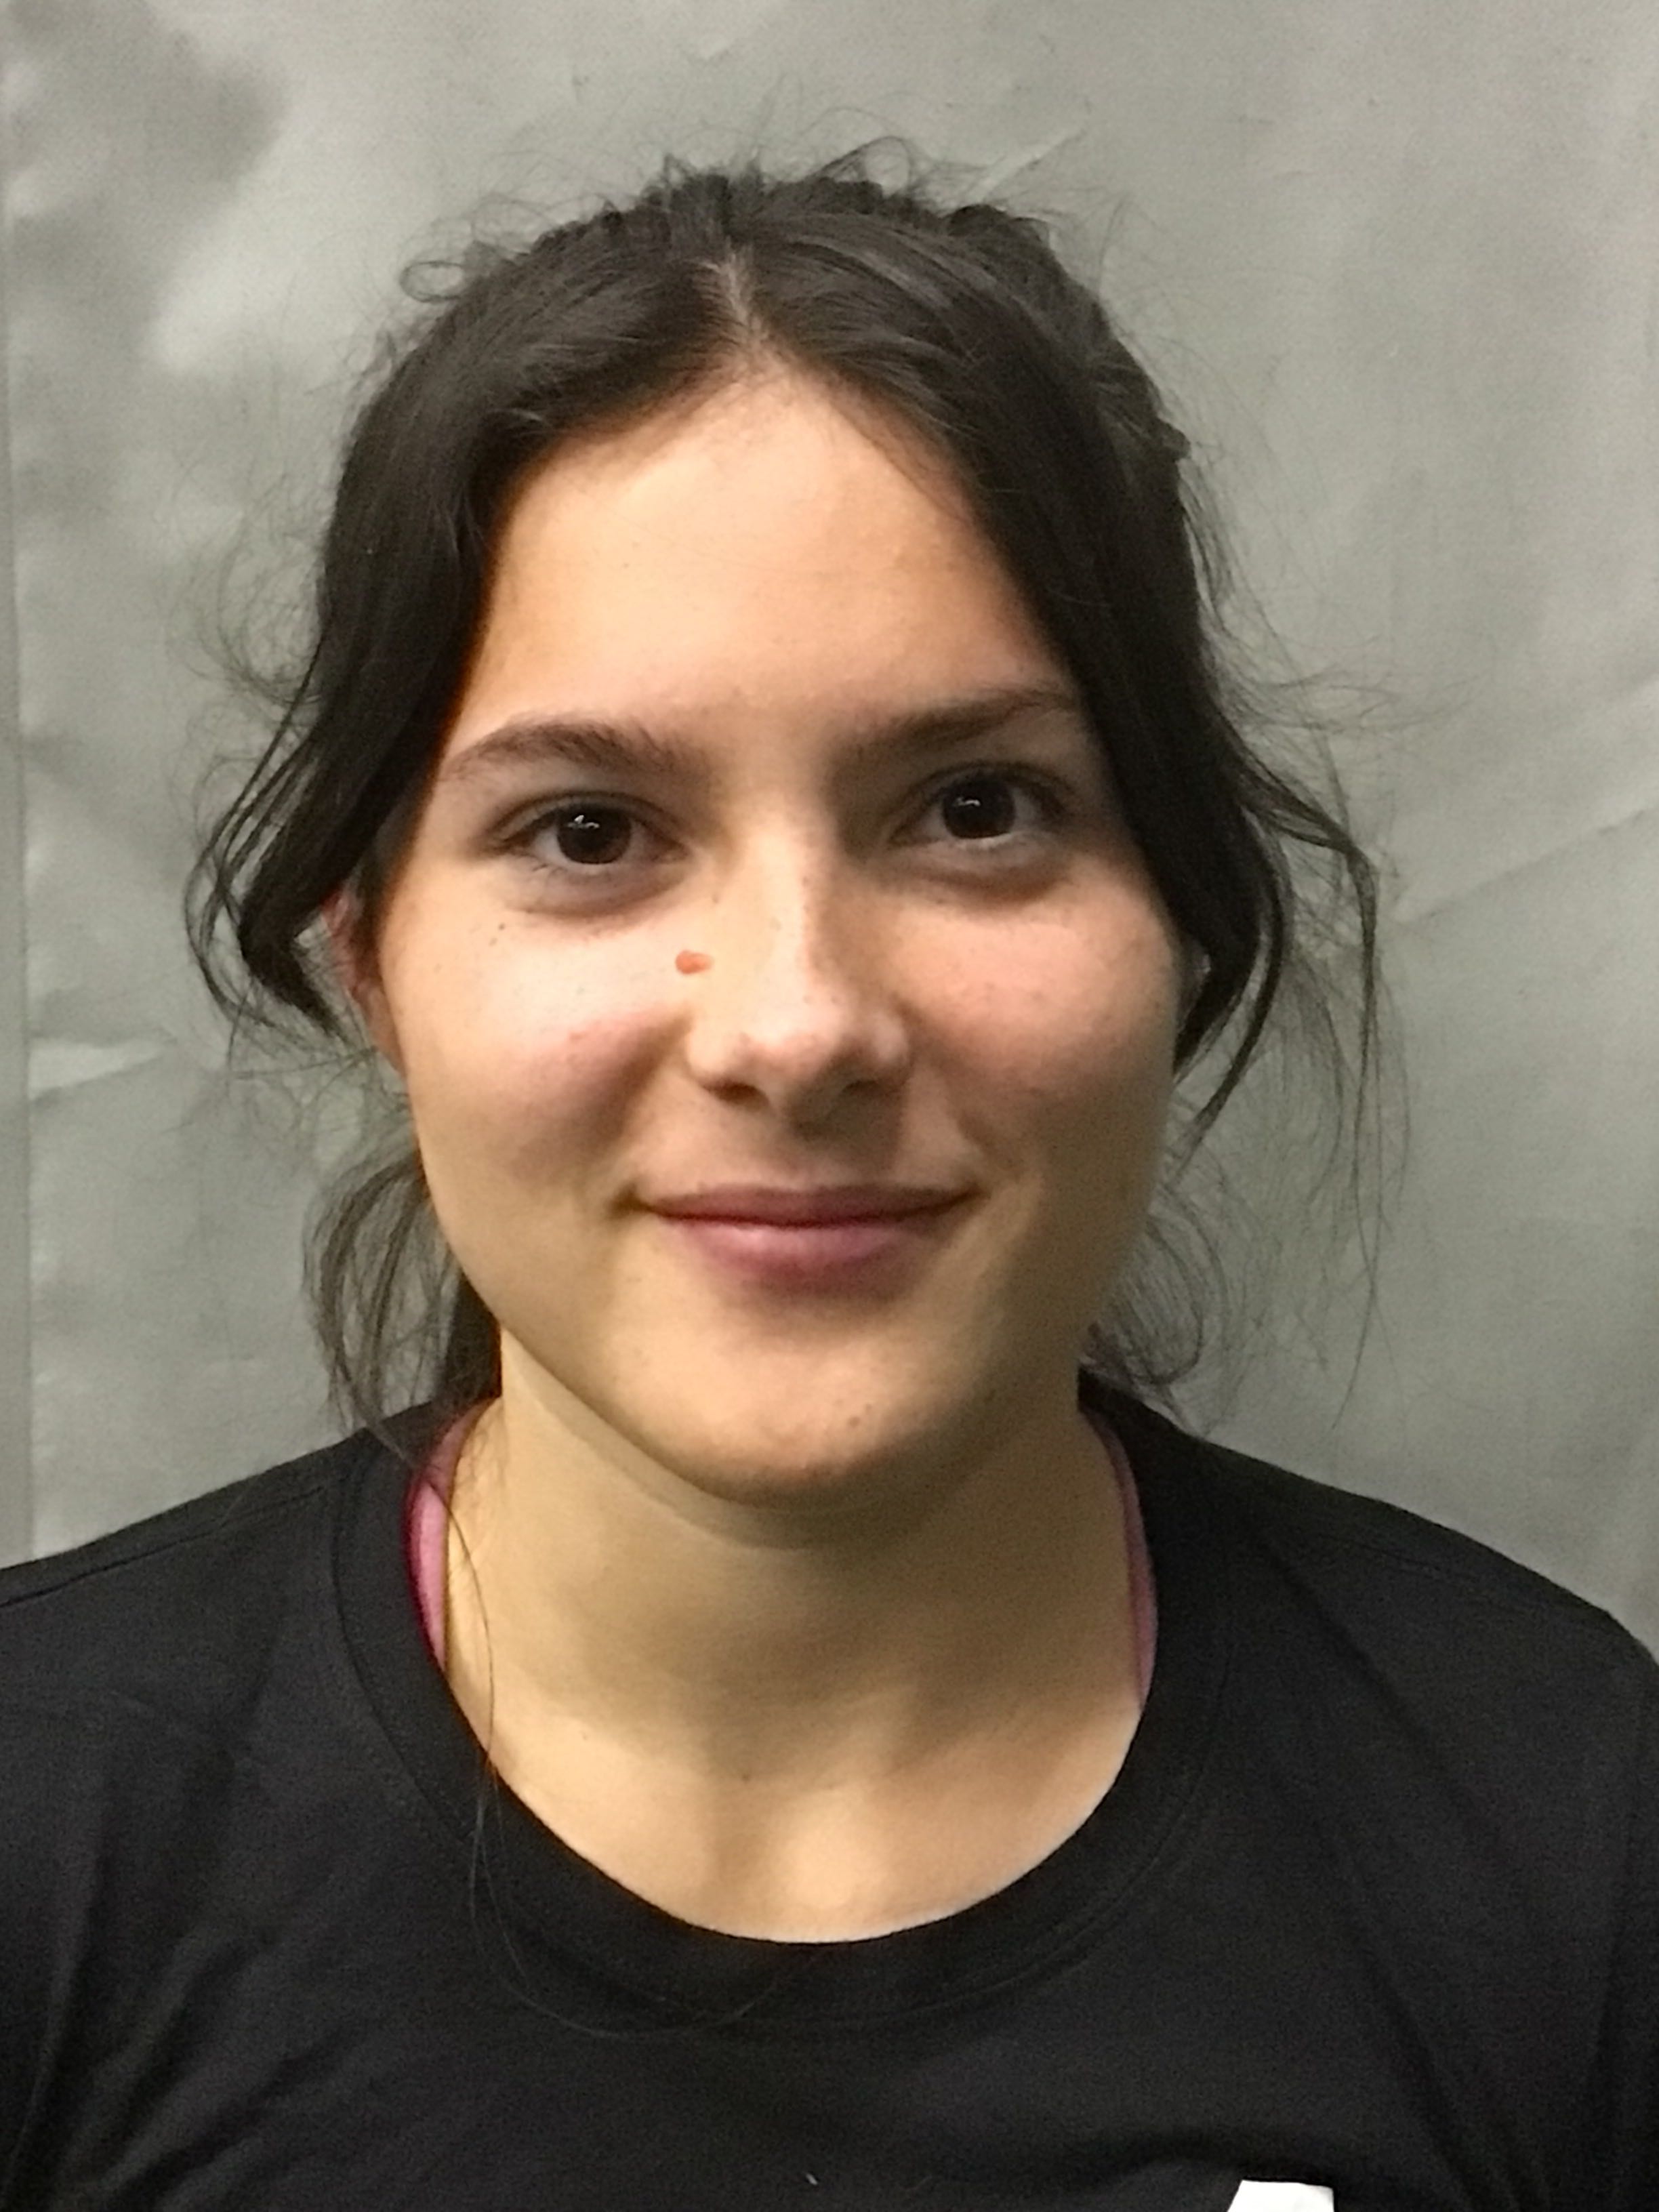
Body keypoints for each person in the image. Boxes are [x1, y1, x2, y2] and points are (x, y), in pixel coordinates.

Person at [0, 150, 1652, 2212]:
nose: (794, 1026)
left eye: (976, 808)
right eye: (590, 832)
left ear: (1186, 925)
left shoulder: (1568, 1841)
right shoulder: (43, 1827)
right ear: (373, 961)